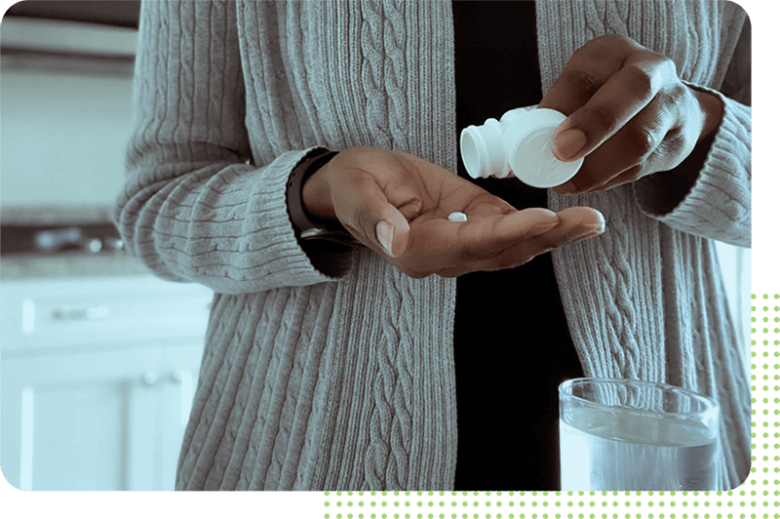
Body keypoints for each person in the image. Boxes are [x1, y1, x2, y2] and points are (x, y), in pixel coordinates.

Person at [112, 0, 752, 491]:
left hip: (652, 442)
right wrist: (318, 195)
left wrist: (702, 127)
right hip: (314, 452)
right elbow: (156, 208)